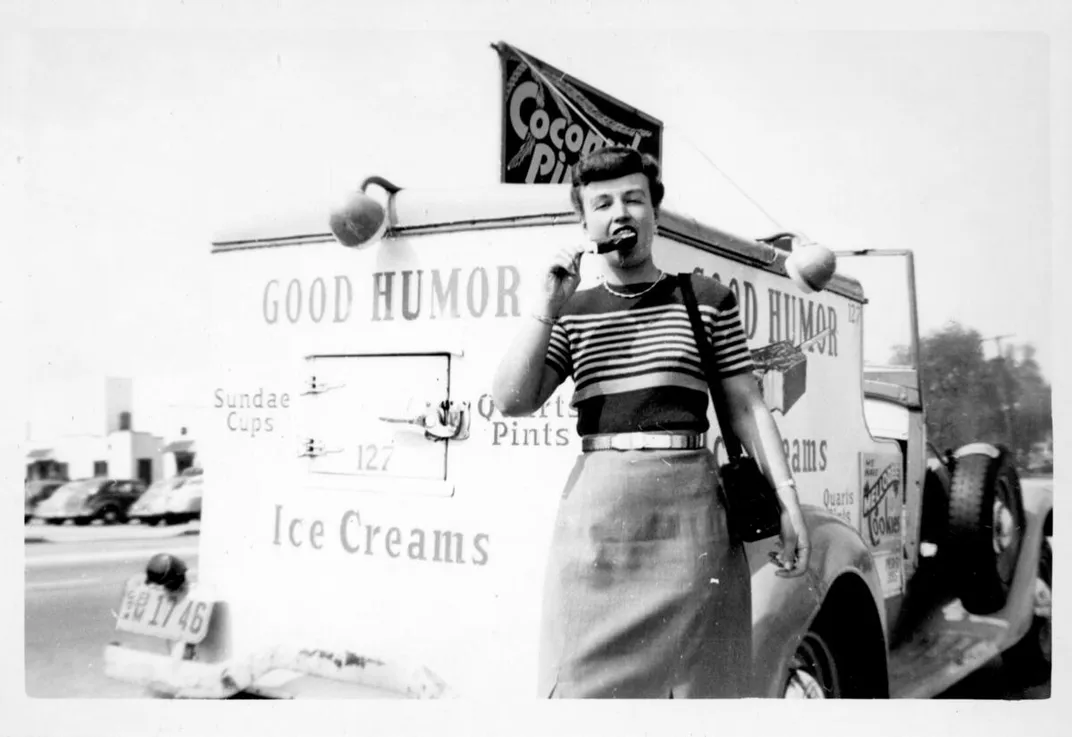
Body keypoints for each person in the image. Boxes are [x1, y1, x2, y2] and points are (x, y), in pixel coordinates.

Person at [491, 145, 810, 699]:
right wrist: (545, 305)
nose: (621, 213)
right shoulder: (572, 310)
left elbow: (747, 405)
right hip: (597, 527)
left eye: (634, 199)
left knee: (700, 694)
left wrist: (788, 501)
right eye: (604, 203)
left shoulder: (705, 298)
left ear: (655, 216)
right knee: (582, 696)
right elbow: (511, 400)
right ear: (586, 223)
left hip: (692, 526)